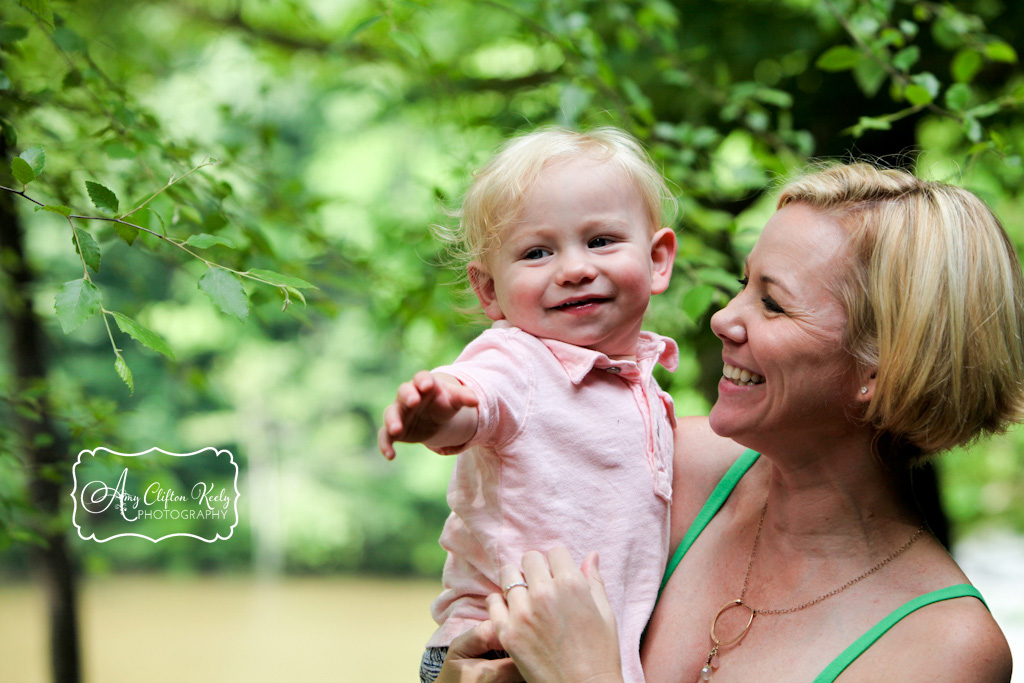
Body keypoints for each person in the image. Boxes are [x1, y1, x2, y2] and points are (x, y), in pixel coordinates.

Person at [438, 161, 1023, 683]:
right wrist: (449, 667)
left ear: (882, 367)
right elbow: (473, 602)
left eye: (771, 303)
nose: (722, 318)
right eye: (744, 284)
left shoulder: (947, 650)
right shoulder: (663, 465)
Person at [377, 127, 680, 683]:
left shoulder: (645, 387)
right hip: (495, 647)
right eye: (537, 252)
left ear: (658, 259)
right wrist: (438, 408)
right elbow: (478, 399)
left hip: (584, 657)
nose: (574, 268)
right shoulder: (520, 361)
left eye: (601, 241)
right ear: (489, 291)